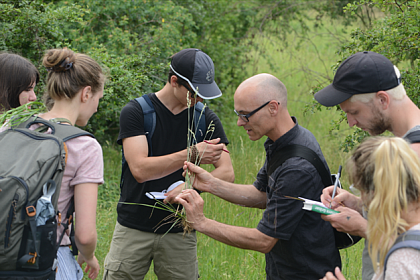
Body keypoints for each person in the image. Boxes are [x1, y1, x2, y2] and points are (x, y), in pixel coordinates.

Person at [175, 73, 341, 280]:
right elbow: (261, 194)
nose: (238, 122)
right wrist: (210, 183)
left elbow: (264, 240)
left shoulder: (296, 167)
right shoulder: (286, 140)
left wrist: (201, 222)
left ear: (273, 107)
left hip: (306, 273)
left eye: (245, 114)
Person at [103, 48, 234, 280]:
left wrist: (190, 187)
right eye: (194, 93)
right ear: (174, 81)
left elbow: (226, 172)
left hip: (180, 229)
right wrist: (192, 152)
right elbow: (140, 170)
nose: (200, 99)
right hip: (133, 227)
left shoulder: (205, 118)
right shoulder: (136, 112)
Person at [314, 51, 420, 279]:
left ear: (382, 99)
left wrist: (362, 227)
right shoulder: (401, 148)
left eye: (354, 112)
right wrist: (358, 204)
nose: (351, 123)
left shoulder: (414, 155)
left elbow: (415, 245)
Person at [36, 48, 104, 279]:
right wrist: (88, 255)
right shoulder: (84, 145)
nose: (96, 107)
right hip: (51, 258)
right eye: (98, 99)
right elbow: (84, 235)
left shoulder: (11, 128)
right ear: (86, 93)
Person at [320, 137, 420, 280]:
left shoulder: (402, 260)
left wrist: (362, 226)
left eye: (360, 190)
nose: (363, 199)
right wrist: (357, 204)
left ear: (375, 193)